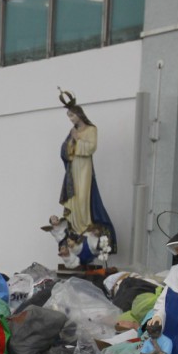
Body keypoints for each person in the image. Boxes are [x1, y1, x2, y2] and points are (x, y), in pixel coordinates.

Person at [58, 90, 117, 248]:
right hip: (73, 168)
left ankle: (85, 226)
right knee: (75, 198)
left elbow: (91, 148)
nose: (71, 119)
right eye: (69, 117)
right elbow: (65, 149)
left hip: (84, 168)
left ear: (79, 114)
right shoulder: (72, 131)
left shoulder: (91, 129)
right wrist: (70, 143)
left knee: (84, 197)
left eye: (72, 116)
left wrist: (77, 140)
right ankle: (76, 227)